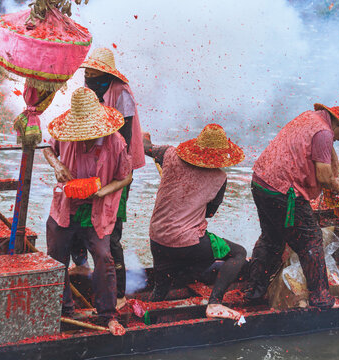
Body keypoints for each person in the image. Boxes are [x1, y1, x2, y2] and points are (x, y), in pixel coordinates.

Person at [244, 102, 339, 308]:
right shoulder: (324, 132)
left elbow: (328, 152)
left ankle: (254, 290)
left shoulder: (310, 118)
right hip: (283, 191)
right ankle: (321, 297)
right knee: (311, 240)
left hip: (261, 181)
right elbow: (324, 177)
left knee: (271, 239)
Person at [44, 87, 131, 336]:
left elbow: (125, 177)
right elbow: (47, 149)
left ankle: (107, 314)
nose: (83, 139)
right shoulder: (65, 134)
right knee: (55, 256)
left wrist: (104, 191)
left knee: (104, 257)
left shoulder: (115, 143)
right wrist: (58, 164)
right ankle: (64, 310)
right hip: (65, 206)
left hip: (97, 209)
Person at [143, 124, 247, 320]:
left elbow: (144, 146)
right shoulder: (219, 177)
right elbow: (209, 213)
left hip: (157, 238)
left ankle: (147, 320)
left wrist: (144, 137)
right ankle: (215, 302)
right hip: (187, 243)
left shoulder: (170, 154)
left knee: (161, 287)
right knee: (239, 253)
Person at [71, 47, 146, 309]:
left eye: (93, 72)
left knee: (111, 230)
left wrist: (109, 174)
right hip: (92, 161)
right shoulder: (88, 90)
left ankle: (120, 293)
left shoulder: (121, 92)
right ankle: (81, 266)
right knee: (77, 216)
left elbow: (122, 138)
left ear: (105, 73)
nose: (88, 76)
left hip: (117, 166)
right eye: (87, 72)